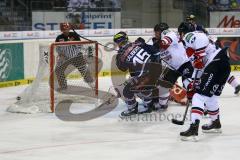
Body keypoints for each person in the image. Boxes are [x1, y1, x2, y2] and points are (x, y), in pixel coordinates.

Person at [178, 22, 231, 141]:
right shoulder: (189, 47)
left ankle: (193, 129)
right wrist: (193, 83)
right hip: (222, 65)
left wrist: (199, 55)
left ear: (182, 32)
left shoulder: (190, 35)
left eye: (180, 34)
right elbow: (199, 67)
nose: (180, 36)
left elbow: (202, 39)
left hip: (216, 62)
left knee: (199, 96)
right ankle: (215, 122)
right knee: (210, 97)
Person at [113, 31, 161, 117]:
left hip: (146, 79)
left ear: (118, 43)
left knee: (124, 88)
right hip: (157, 73)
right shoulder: (138, 43)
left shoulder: (121, 55)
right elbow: (156, 52)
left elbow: (122, 69)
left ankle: (132, 108)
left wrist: (119, 58)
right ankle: (149, 103)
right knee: (139, 80)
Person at [150, 23, 194, 109]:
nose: (155, 34)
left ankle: (199, 102)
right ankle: (162, 105)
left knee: (188, 83)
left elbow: (164, 43)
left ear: (160, 31)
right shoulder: (155, 40)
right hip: (172, 68)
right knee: (163, 87)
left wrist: (157, 45)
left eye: (156, 32)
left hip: (185, 64)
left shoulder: (170, 34)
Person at [55, 22, 94, 91]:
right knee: (58, 70)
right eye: (64, 29)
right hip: (65, 58)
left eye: (67, 29)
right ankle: (63, 86)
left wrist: (73, 44)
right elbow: (57, 48)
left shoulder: (74, 35)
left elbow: (80, 46)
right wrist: (61, 54)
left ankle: (92, 85)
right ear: (61, 30)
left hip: (77, 56)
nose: (66, 31)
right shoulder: (59, 37)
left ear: (69, 28)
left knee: (84, 70)